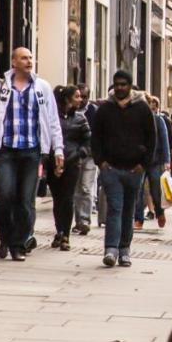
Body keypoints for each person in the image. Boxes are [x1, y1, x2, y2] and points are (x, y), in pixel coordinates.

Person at [0, 47, 64, 260]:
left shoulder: (42, 87)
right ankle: (5, 238)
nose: (29, 61)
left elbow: (53, 121)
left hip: (32, 151)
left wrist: (58, 149)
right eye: (24, 58)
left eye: (31, 58)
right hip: (6, 150)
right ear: (14, 62)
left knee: (26, 201)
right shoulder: (2, 87)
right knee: (6, 196)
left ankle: (18, 244)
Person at [91, 70, 155, 266]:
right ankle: (111, 249)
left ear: (130, 86)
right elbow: (96, 138)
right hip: (112, 169)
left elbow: (151, 139)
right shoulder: (105, 110)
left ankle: (124, 249)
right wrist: (101, 162)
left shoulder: (142, 109)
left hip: (134, 170)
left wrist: (143, 164)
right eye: (116, 84)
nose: (119, 87)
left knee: (128, 210)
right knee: (115, 208)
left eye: (123, 84)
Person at [48, 85, 91, 251]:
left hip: (73, 163)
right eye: (77, 97)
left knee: (67, 198)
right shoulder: (53, 117)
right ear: (67, 99)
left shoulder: (81, 119)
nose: (80, 100)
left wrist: (81, 153)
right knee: (57, 199)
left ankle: (65, 234)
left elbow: (88, 140)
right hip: (54, 162)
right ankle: (59, 230)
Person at [135, 94, 170, 230]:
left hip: (155, 161)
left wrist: (167, 160)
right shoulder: (135, 120)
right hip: (139, 161)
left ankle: (160, 212)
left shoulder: (158, 120)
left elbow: (165, 141)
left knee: (156, 191)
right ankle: (138, 219)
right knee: (137, 190)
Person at [74, 83, 99, 235]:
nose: (81, 100)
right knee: (76, 188)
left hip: (90, 155)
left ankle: (84, 220)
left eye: (84, 97)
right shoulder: (71, 111)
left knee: (85, 187)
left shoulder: (94, 112)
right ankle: (78, 221)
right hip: (75, 154)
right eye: (79, 96)